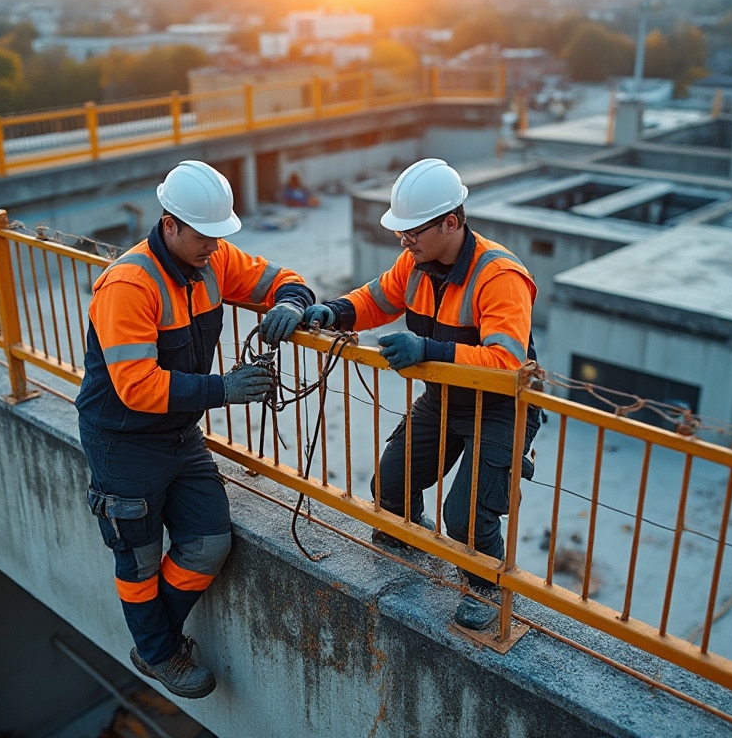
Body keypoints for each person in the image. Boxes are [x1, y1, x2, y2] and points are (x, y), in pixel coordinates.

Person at [77, 160, 311, 698]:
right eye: (204, 236)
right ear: (170, 225)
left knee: (208, 543)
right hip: (122, 441)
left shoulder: (213, 260)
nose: (214, 246)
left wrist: (292, 304)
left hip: (179, 436)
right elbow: (137, 387)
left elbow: (281, 279)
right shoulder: (129, 286)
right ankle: (160, 654)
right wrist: (222, 390)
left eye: (219, 236)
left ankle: (152, 639)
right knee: (136, 560)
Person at [300, 158, 540, 631]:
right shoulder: (416, 263)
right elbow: (375, 300)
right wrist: (330, 313)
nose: (403, 240)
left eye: (413, 231)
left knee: (466, 515)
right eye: (401, 232)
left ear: (451, 222)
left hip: (499, 409)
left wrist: (428, 348)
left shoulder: (500, 277)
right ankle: (405, 539)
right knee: (391, 483)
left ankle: (485, 587)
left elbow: (505, 363)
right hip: (444, 398)